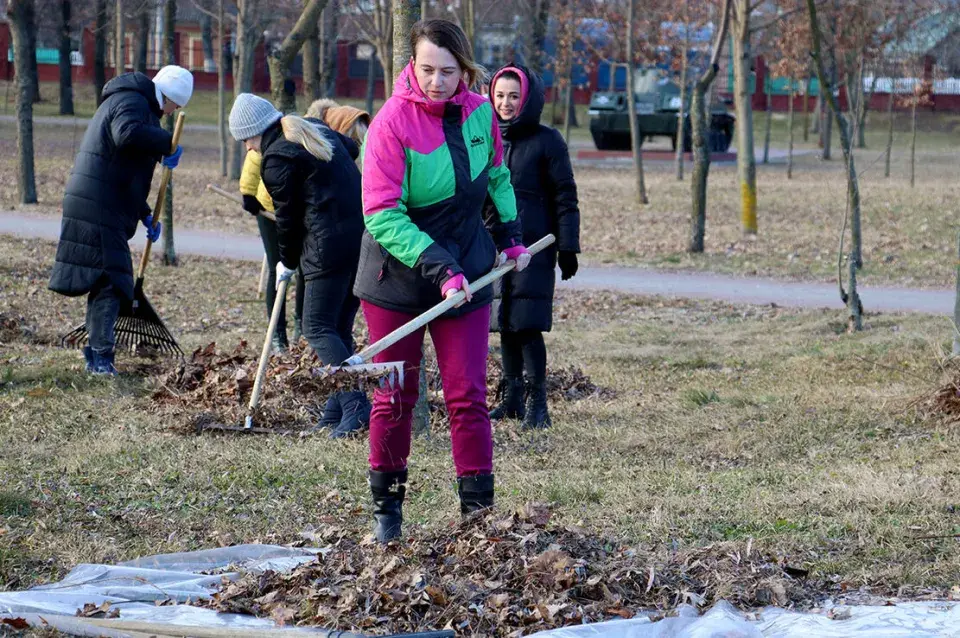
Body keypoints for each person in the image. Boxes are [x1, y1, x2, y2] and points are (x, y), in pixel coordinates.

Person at [356, 18, 531, 543]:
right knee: (395, 395)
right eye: (426, 69)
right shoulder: (391, 123)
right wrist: (440, 268)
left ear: (465, 69)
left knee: (468, 395)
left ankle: (478, 522)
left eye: (448, 71)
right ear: (412, 64)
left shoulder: (481, 114)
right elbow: (381, 213)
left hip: (468, 276)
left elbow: (496, 176)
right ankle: (388, 517)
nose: (436, 80)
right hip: (397, 281)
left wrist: (511, 236)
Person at [229, 94, 370, 438]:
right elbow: (350, 151)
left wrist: (286, 263)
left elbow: (287, 222)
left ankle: (356, 405)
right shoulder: (315, 130)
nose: (248, 149)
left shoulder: (276, 159)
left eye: (246, 140)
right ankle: (336, 407)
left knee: (317, 327)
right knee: (337, 329)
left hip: (327, 249)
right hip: (360, 240)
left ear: (256, 132)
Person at [48, 65, 193, 376]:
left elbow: (123, 170)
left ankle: (96, 352)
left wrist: (143, 215)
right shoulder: (132, 99)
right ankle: (101, 357)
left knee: (105, 278)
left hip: (102, 200)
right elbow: (125, 134)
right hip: (97, 203)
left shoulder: (139, 104)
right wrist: (166, 143)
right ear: (168, 97)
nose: (172, 112)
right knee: (114, 280)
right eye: (175, 106)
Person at [485, 64, 581, 430]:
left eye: (513, 96)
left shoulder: (548, 141)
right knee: (505, 322)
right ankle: (511, 398)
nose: (506, 103)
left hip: (535, 245)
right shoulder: (488, 136)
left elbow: (564, 195)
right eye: (500, 96)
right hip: (495, 243)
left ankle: (537, 403)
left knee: (527, 324)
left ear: (527, 99)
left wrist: (568, 246)